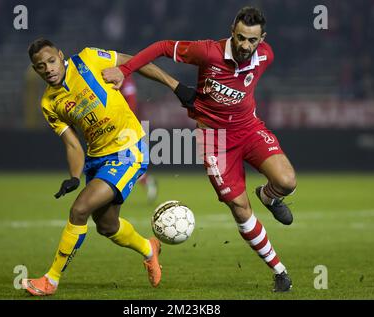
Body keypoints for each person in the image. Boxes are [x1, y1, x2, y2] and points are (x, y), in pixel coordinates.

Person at [102, 6, 296, 292]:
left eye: (252, 40)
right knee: (240, 208)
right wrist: (124, 69)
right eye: (240, 37)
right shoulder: (208, 52)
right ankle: (280, 271)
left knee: (287, 182)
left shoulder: (267, 55)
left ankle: (269, 197)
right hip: (214, 139)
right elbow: (163, 47)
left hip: (249, 129)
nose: (245, 45)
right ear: (232, 30)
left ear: (261, 39)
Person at [22, 38, 181, 296]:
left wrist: (173, 85)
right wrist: (74, 176)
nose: (49, 68)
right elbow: (73, 145)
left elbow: (134, 61)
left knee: (79, 210)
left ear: (61, 55)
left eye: (51, 61)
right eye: (41, 66)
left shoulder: (87, 60)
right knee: (107, 226)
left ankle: (50, 280)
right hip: (98, 158)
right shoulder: (49, 103)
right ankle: (149, 249)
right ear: (36, 69)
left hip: (128, 149)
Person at [120, 75, 158, 202]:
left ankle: (146, 180)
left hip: (125, 125)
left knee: (127, 161)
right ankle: (146, 180)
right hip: (116, 124)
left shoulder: (124, 78)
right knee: (126, 161)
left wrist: (126, 121)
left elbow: (131, 101)